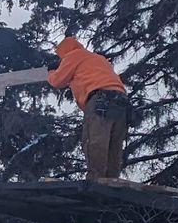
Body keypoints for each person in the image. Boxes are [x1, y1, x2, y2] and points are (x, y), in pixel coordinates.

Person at [45, 36, 130, 180]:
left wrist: (51, 71)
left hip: (100, 98)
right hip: (121, 99)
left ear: (63, 52)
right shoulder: (97, 59)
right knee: (114, 143)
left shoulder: (73, 56)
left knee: (96, 139)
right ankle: (111, 179)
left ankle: (95, 178)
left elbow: (57, 80)